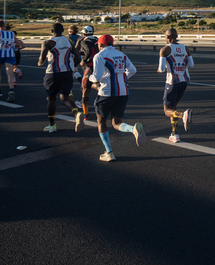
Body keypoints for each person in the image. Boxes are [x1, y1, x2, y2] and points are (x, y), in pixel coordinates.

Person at [89, 34, 144, 162]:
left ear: (101, 44)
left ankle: (109, 152)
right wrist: (122, 79)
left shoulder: (100, 56)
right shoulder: (122, 55)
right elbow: (133, 70)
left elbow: (96, 78)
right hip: (123, 91)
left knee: (101, 122)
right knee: (116, 122)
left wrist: (89, 78)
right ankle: (132, 129)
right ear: (111, 43)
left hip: (106, 93)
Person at [37, 23, 85, 133]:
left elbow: (42, 58)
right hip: (67, 72)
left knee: (51, 99)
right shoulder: (68, 41)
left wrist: (40, 62)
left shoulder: (48, 42)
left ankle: (52, 125)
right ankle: (77, 113)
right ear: (63, 30)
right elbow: (77, 57)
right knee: (65, 98)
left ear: (51, 31)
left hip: (53, 73)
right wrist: (73, 66)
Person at [157, 28, 193, 143]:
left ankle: (183, 115)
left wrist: (159, 70)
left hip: (172, 82)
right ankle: (174, 134)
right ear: (176, 36)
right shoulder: (185, 48)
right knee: (173, 107)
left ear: (167, 37)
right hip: (184, 80)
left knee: (167, 110)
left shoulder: (165, 50)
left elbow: (162, 69)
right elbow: (191, 65)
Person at [74, 25, 99, 121]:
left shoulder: (84, 41)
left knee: (85, 90)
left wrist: (83, 60)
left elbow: (88, 51)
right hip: (98, 66)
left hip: (88, 67)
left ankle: (86, 114)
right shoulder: (97, 40)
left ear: (84, 33)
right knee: (100, 87)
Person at [0, 19, 17, 102]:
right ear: (4, 25)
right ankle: (11, 90)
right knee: (9, 72)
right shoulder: (12, 33)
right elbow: (17, 42)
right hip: (10, 54)